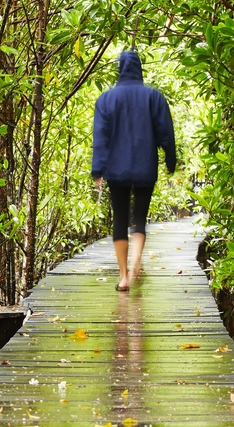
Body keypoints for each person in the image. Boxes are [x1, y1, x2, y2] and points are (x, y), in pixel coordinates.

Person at [91, 50, 176, 291]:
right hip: (144, 167)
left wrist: (98, 169)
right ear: (139, 69)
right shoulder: (154, 97)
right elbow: (165, 132)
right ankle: (136, 262)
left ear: (120, 68)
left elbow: (101, 138)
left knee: (119, 218)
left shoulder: (106, 99)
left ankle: (123, 277)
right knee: (139, 218)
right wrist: (170, 159)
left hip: (116, 170)